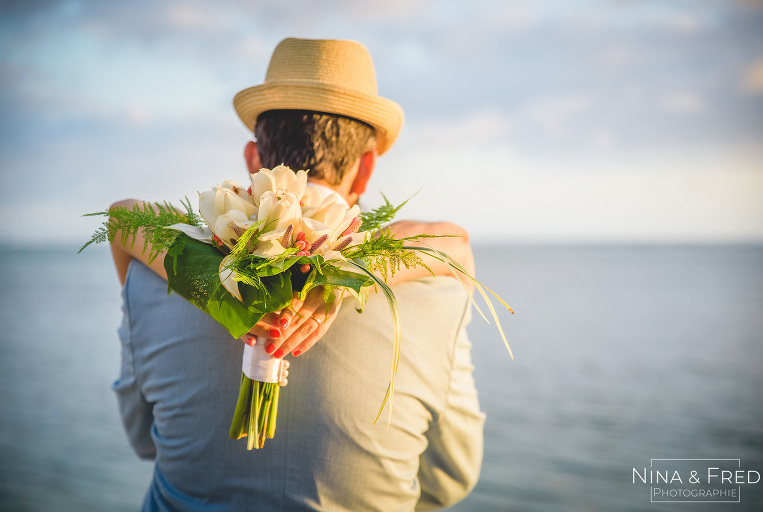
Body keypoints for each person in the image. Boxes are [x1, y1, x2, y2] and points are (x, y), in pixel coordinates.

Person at [111, 37, 485, 511]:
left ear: (253, 160)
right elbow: (452, 476)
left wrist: (213, 289)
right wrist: (356, 270)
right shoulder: (435, 293)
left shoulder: (156, 274)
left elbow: (145, 442)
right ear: (366, 169)